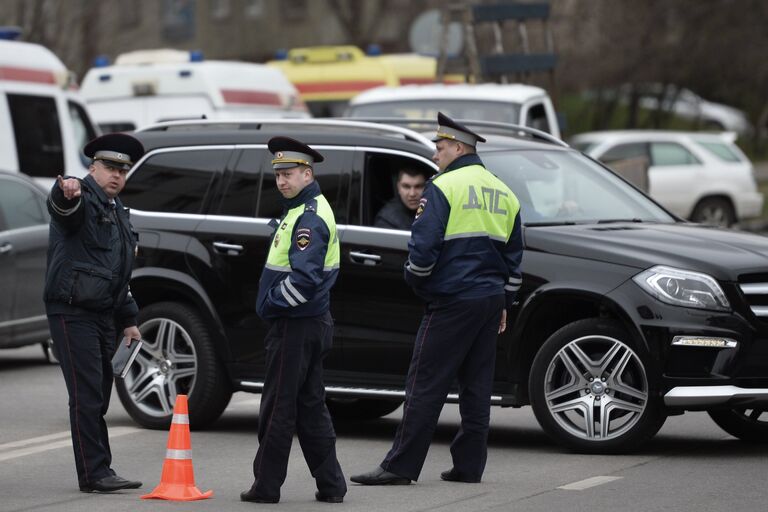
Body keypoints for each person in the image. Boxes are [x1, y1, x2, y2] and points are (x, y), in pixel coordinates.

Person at [350, 112, 523, 486]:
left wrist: (417, 282)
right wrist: (504, 302)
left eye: (441, 148)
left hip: (453, 299)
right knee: (477, 389)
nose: (436, 155)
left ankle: (399, 466)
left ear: (459, 148)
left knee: (424, 384)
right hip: (489, 300)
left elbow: (423, 249)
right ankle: (468, 467)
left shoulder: (443, 187)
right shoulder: (503, 190)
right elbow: (514, 256)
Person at [241, 136, 347, 504]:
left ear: (308, 173)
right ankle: (332, 484)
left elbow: (304, 280)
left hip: (296, 326)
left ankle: (266, 487)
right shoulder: (304, 208)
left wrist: (270, 305)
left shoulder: (308, 218)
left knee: (277, 409)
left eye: (289, 174)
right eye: (278, 174)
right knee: (310, 408)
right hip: (311, 325)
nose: (282, 180)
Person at [44, 133, 144, 493]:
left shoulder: (116, 210)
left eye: (123, 170)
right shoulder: (82, 198)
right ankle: (95, 474)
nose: (117, 175)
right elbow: (62, 208)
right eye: (110, 167)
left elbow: (118, 271)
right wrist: (64, 191)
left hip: (103, 313)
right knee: (87, 396)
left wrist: (129, 320)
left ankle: (101, 468)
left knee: (99, 395)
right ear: (93, 168)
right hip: (73, 312)